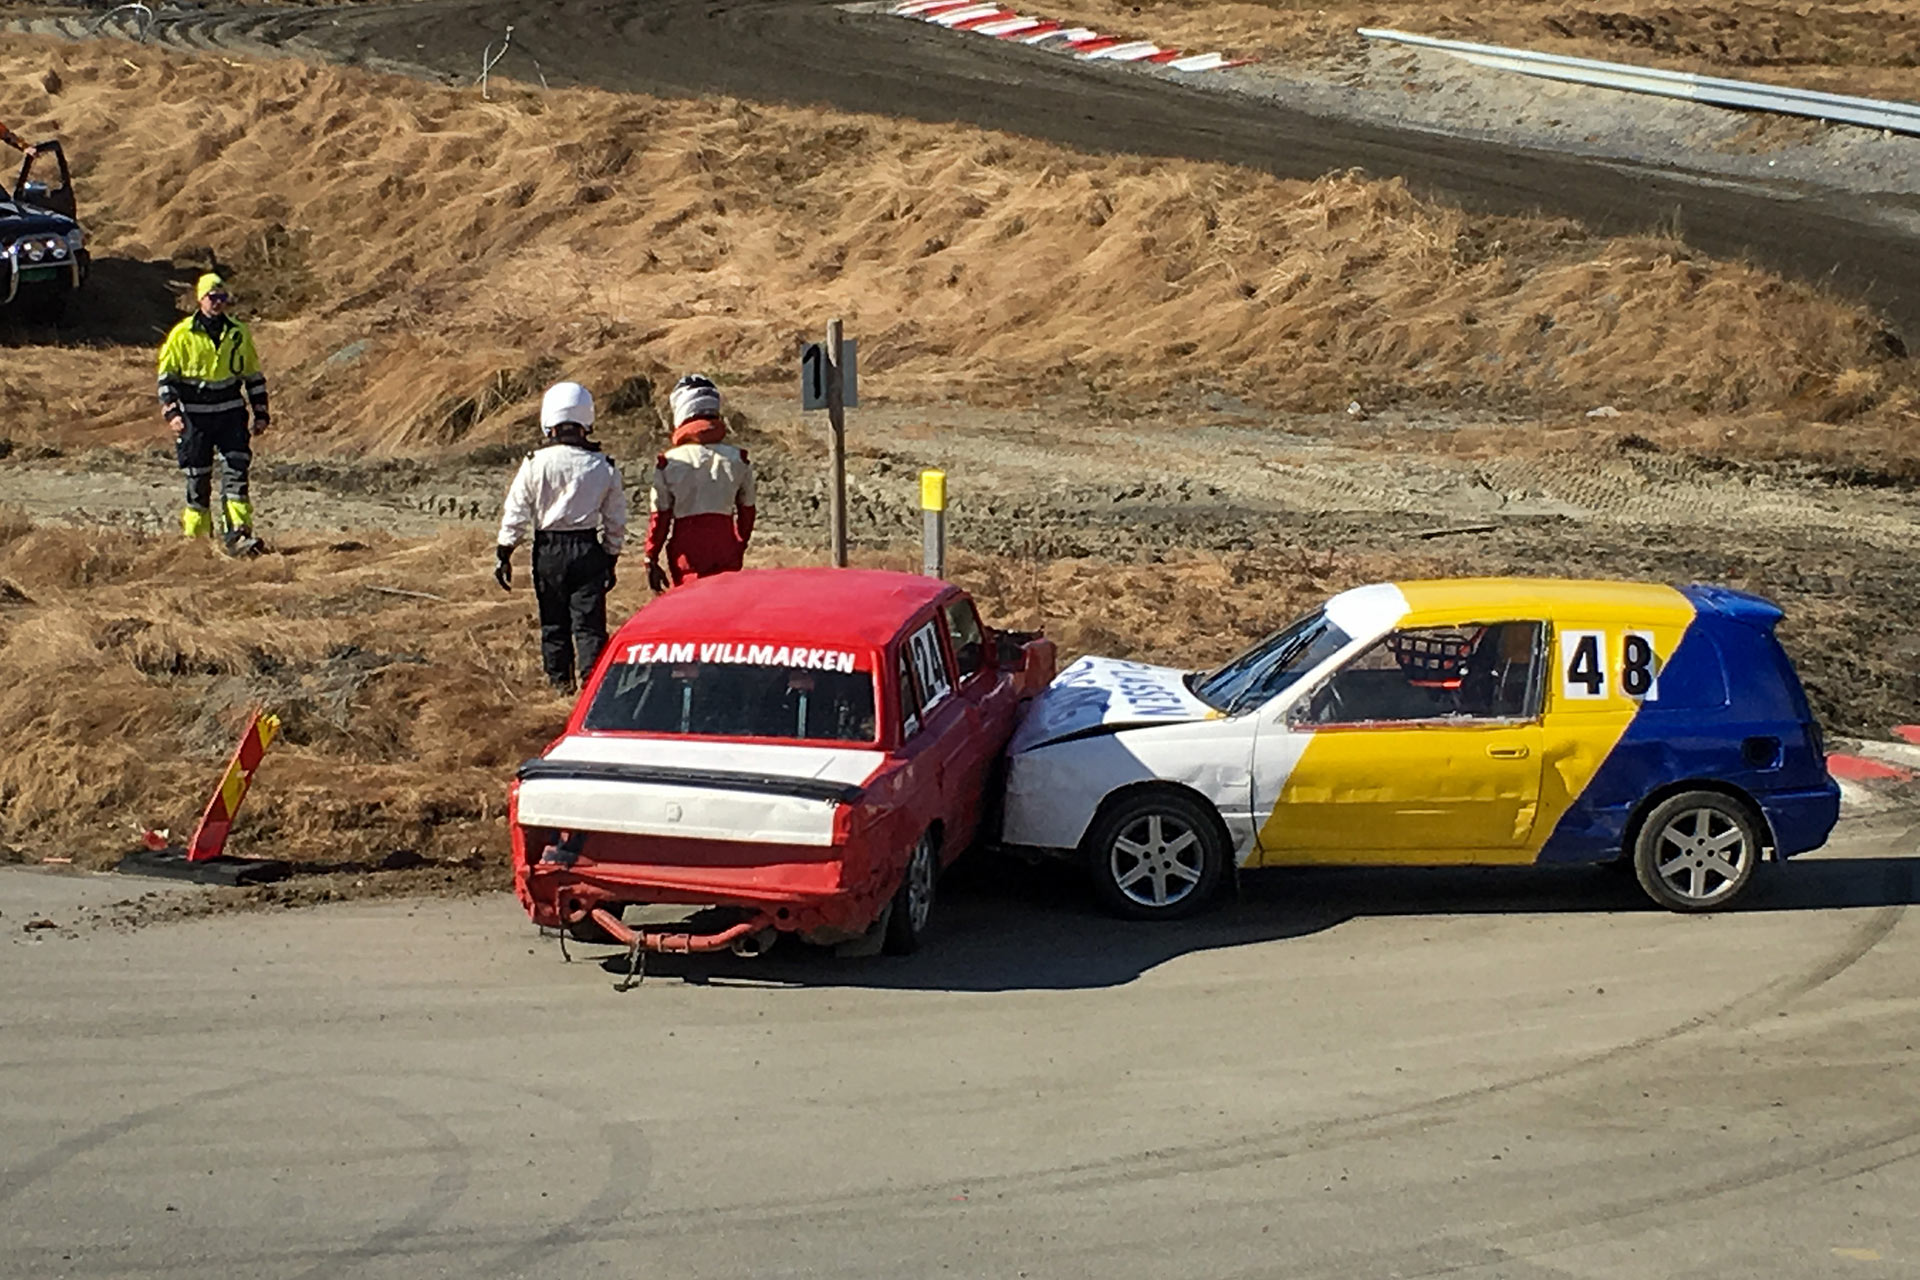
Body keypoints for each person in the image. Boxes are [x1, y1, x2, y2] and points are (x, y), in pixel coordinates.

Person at [495, 381, 629, 692]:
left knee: (553, 623)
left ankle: (559, 686)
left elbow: (516, 510)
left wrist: (505, 551)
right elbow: (615, 519)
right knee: (590, 626)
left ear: (548, 420)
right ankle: (592, 688)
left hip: (548, 551)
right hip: (587, 549)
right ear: (587, 419)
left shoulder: (534, 463)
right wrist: (611, 557)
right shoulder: (603, 466)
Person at [156, 273, 270, 549]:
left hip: (230, 415)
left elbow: (252, 375)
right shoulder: (182, 334)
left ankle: (239, 536)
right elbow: (166, 379)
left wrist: (261, 412)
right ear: (200, 299)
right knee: (198, 479)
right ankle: (197, 544)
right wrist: (172, 414)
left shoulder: (238, 333)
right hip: (195, 419)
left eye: (222, 298)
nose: (217, 303)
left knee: (236, 475)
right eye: (212, 297)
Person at [644, 373, 757, 593]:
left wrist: (651, 557)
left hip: (687, 548)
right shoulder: (738, 459)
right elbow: (747, 512)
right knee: (725, 610)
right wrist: (739, 544)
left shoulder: (668, 463)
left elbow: (660, 517)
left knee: (690, 613)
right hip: (726, 544)